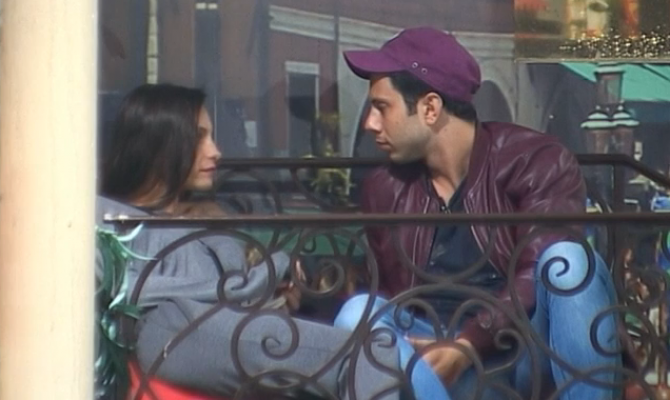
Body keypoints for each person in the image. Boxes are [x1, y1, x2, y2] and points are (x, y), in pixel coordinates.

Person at [96, 83, 447, 400]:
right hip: (174, 330)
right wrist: (265, 277)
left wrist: (272, 294)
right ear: (163, 145)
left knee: (370, 349)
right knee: (369, 353)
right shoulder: (108, 217)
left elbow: (232, 296)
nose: (216, 151)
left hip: (217, 330)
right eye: (200, 137)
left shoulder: (203, 218)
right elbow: (131, 291)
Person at [332, 27, 622, 399]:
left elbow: (535, 276)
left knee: (569, 261)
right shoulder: (384, 187)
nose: (370, 123)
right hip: (429, 355)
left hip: (518, 351)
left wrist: (468, 344)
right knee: (357, 311)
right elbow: (390, 294)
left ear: (430, 108)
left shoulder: (535, 161)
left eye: (382, 107)